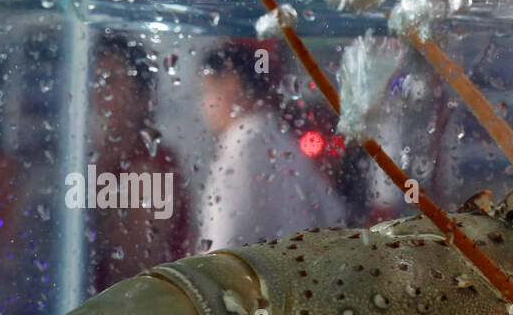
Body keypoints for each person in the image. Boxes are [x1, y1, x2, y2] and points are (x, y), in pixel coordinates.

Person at [197, 40, 350, 249]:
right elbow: (335, 215)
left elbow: (222, 245)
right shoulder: (277, 137)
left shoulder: (242, 143)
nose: (203, 105)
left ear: (231, 84)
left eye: (207, 91)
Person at [87, 35, 193, 290]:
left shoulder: (149, 164)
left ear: (141, 98)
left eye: (109, 82)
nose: (97, 92)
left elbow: (136, 264)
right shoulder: (96, 157)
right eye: (94, 79)